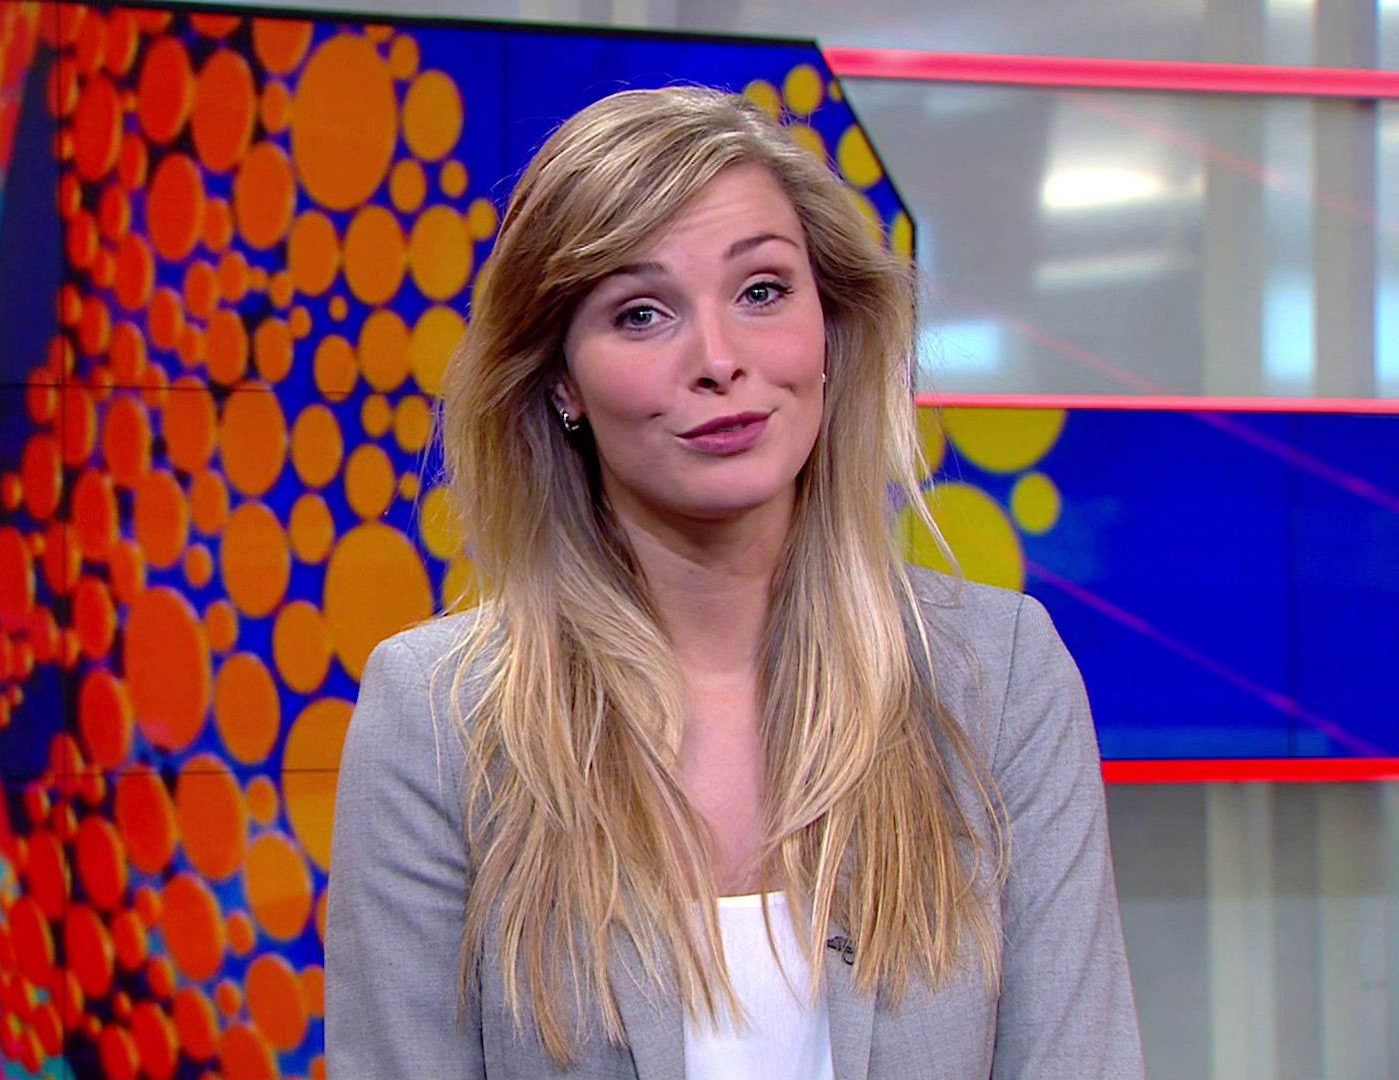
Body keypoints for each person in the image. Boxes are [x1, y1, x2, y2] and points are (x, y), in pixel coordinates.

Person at [323, 85, 1144, 1079]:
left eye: (761, 292)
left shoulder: (998, 677)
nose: (718, 361)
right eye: (640, 313)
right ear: (561, 380)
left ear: (830, 328)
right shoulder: (436, 720)